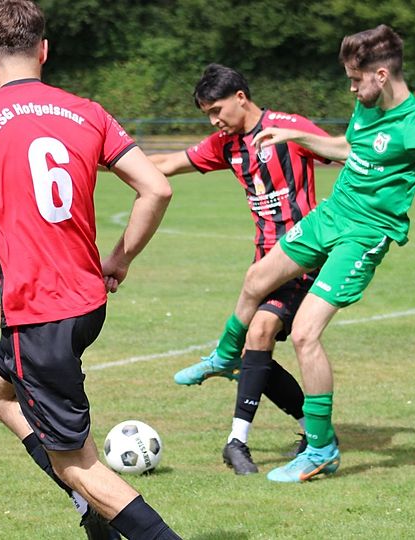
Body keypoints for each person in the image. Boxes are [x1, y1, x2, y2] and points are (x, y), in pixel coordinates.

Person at [206, 25, 415, 483]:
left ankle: (321, 449)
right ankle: (225, 356)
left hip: (364, 234)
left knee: (305, 334)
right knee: (257, 278)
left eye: (356, 80)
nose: (352, 89)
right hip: (332, 215)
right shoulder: (367, 106)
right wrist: (291, 136)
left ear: (381, 75)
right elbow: (346, 146)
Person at [0, 1, 180, 538]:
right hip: (86, 302)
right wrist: (119, 258)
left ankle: (107, 509)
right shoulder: (87, 112)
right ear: (44, 50)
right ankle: (92, 513)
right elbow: (157, 187)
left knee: (78, 463)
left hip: (38, 312)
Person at [148, 64, 327, 475]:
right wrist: (99, 160)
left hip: (302, 257)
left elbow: (341, 148)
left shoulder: (287, 127)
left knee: (258, 333)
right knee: (253, 352)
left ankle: (237, 442)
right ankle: (312, 433)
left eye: (217, 110)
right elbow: (168, 162)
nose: (214, 121)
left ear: (241, 98)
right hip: (265, 262)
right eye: (207, 114)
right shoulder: (225, 145)